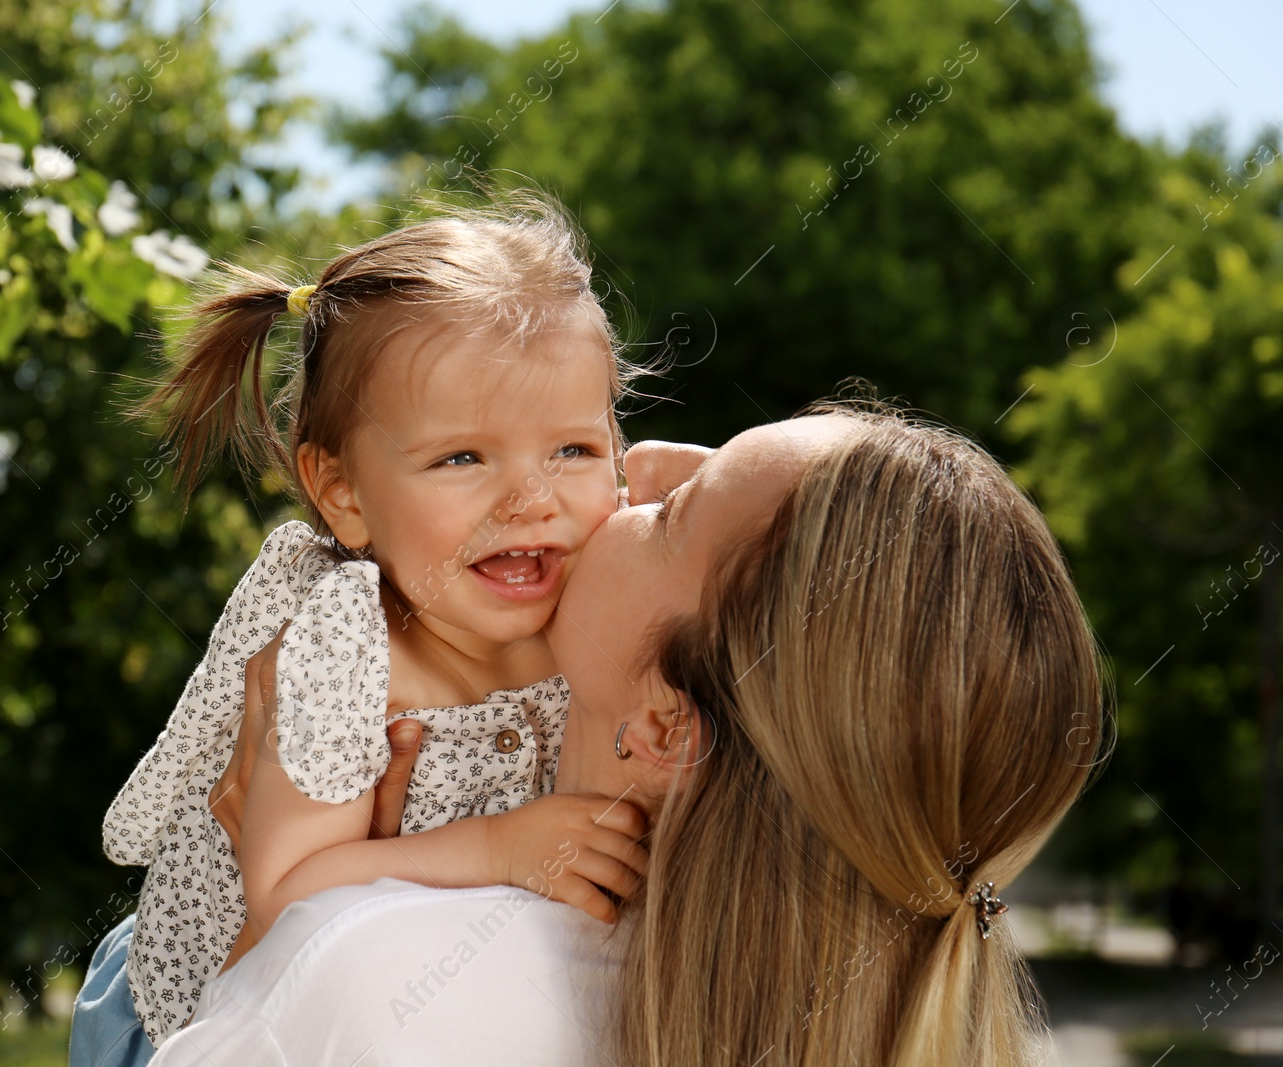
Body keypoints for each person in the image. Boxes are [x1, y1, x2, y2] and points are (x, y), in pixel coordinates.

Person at [148, 404, 1105, 1067]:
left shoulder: (378, 982)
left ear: (665, 722)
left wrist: (272, 954)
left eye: (678, 510)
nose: (637, 460)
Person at [69, 199, 651, 1067]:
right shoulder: (351, 649)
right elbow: (285, 886)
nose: (533, 498)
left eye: (573, 448)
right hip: (194, 1015)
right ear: (341, 492)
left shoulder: (601, 594)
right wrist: (499, 847)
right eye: (463, 458)